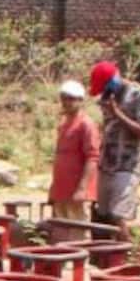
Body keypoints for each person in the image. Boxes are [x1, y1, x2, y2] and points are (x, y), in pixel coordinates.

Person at [88, 59, 140, 230]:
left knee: (119, 217)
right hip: (106, 164)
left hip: (127, 164)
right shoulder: (106, 98)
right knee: (101, 215)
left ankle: (123, 254)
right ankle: (100, 255)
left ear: (113, 81)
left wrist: (118, 113)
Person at [49, 79, 100, 222]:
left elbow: (92, 158)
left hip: (76, 191)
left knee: (78, 232)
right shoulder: (64, 125)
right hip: (61, 190)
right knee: (60, 231)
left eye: (71, 99)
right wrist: (54, 188)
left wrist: (82, 189)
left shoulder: (86, 124)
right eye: (64, 98)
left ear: (80, 100)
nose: (66, 102)